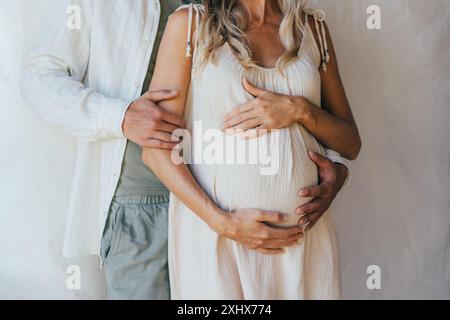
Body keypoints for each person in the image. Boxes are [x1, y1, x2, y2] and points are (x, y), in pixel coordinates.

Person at [20, 0, 354, 300]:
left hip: (270, 223)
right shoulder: (179, 19)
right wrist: (119, 116)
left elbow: (317, 118)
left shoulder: (302, 26)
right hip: (144, 203)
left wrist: (331, 166)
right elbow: (39, 77)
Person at [142, 0, 360, 299]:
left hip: (304, 241)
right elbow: (155, 150)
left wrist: (301, 110)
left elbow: (350, 142)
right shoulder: (191, 24)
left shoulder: (312, 28)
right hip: (220, 242)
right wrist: (222, 222)